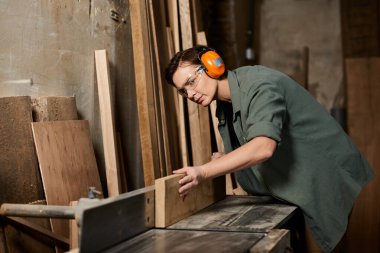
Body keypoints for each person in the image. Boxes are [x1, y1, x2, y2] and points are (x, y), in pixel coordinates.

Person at [164, 45, 373, 253]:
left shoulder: (259, 86)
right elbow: (255, 140)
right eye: (183, 91)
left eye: (191, 81)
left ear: (213, 65)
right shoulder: (225, 103)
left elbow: (263, 147)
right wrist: (228, 157)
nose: (190, 94)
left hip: (327, 174)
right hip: (299, 180)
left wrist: (203, 172)